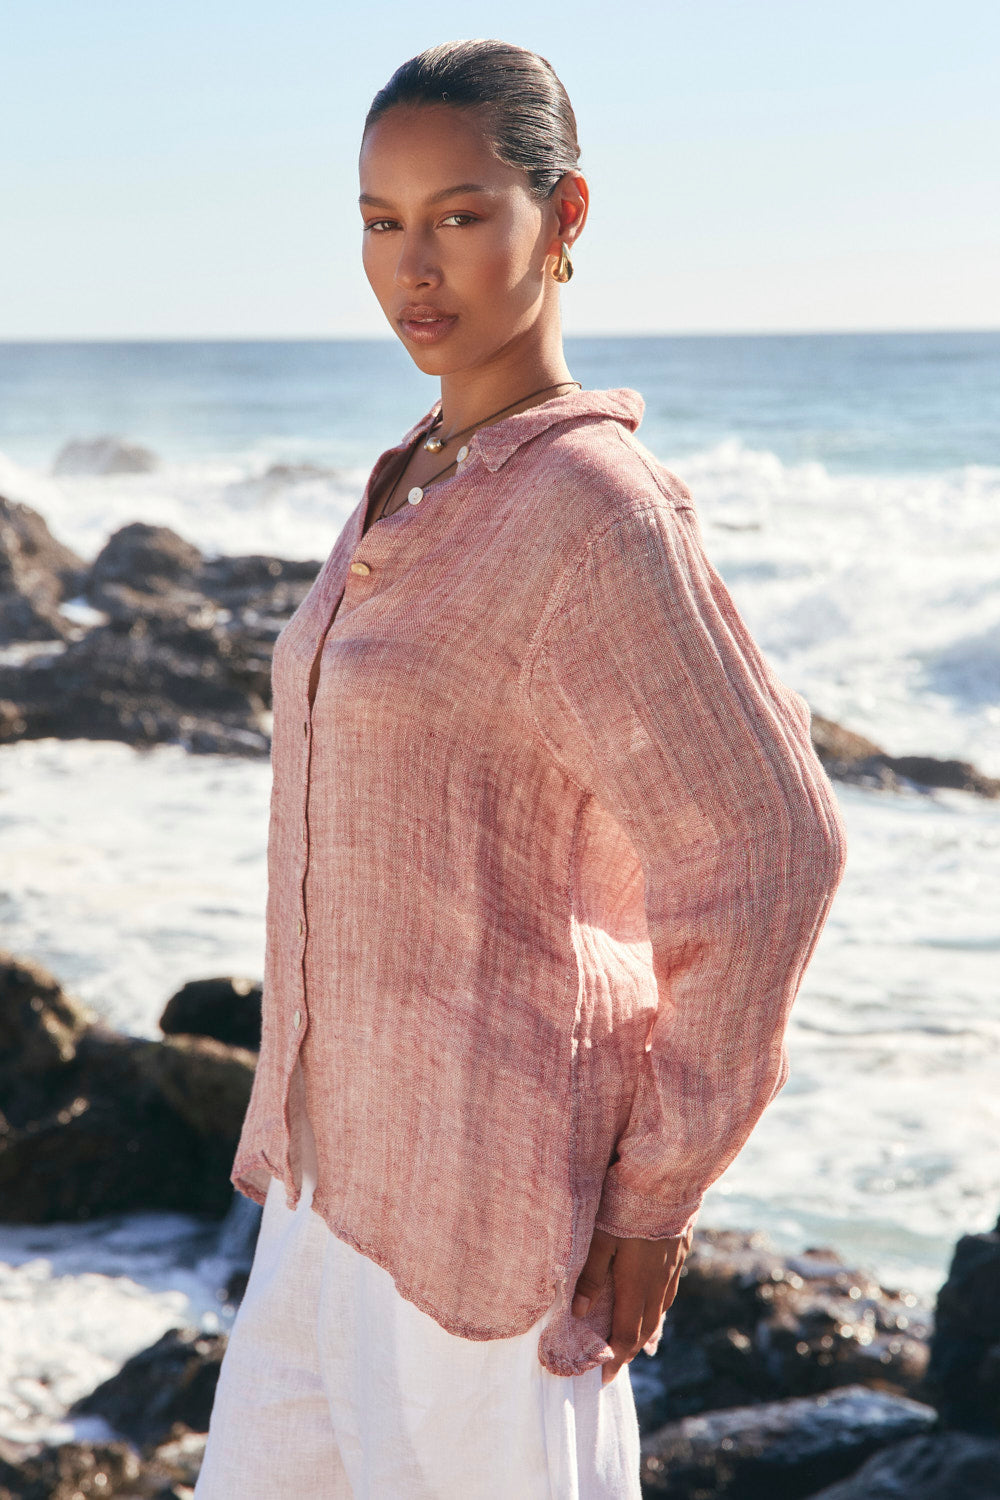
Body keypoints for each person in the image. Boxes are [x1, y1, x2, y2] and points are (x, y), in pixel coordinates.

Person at [194, 37, 848, 1500]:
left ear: (565, 219)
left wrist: (657, 1197)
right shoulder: (412, 477)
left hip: (490, 1223)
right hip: (322, 1190)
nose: (413, 266)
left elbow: (773, 846)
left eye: (461, 212)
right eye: (381, 222)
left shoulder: (592, 510)